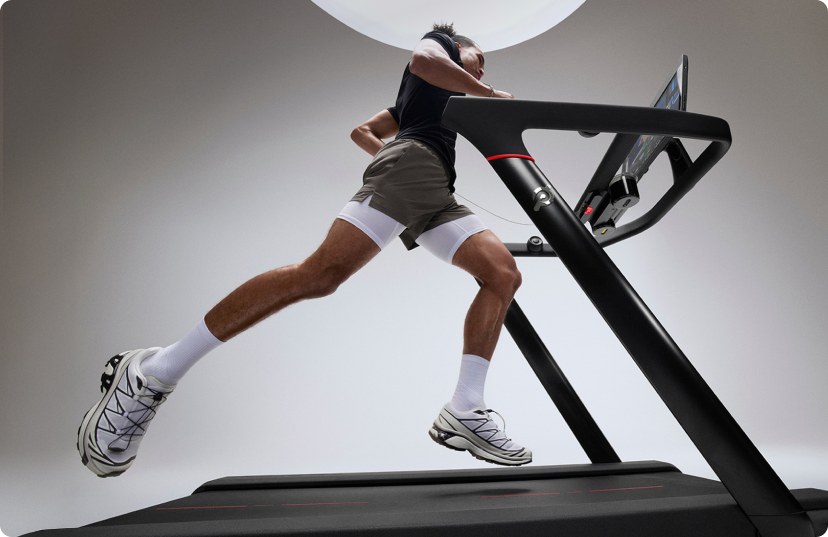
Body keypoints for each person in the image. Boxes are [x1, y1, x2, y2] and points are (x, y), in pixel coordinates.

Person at [77, 22, 531, 478]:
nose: (482, 67)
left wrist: (389, 150)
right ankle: (156, 369)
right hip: (411, 168)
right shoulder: (441, 49)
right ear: (460, 51)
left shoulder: (419, 102)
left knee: (502, 274)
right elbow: (423, 61)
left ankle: (466, 408)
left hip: (434, 190)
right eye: (480, 59)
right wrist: (484, 95)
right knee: (319, 276)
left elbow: (362, 130)